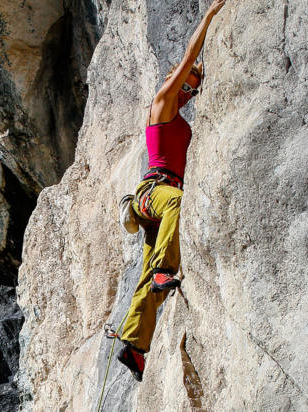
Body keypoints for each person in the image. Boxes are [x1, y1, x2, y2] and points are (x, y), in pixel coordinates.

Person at [116, 0, 226, 382]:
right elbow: (187, 58)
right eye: (188, 84)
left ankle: (133, 346)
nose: (189, 92)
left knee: (147, 273)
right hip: (155, 192)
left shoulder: (177, 114)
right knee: (177, 205)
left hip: (157, 204)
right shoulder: (161, 103)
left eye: (193, 89)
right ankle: (166, 269)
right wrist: (210, 16)